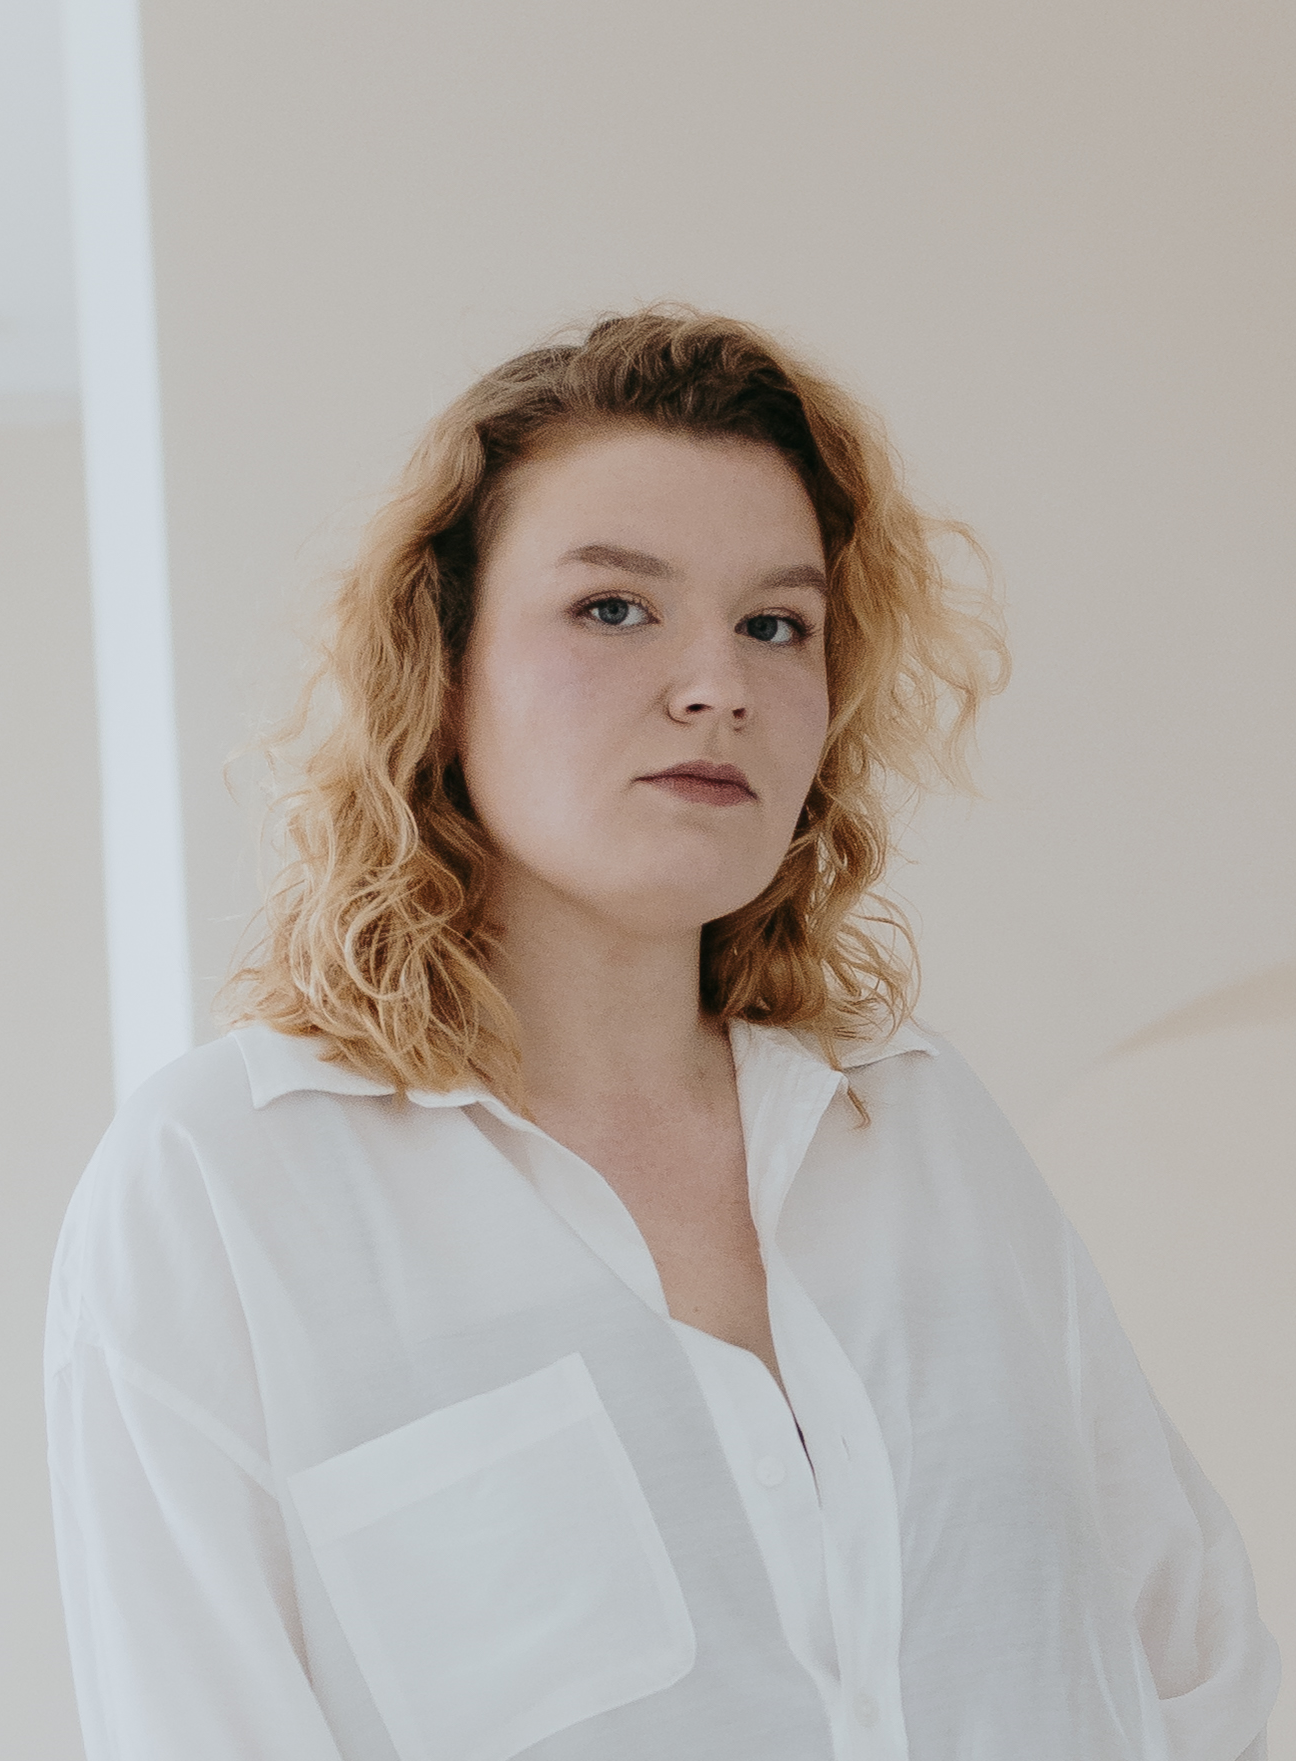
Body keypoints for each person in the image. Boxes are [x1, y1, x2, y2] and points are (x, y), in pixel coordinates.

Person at [46, 308, 1279, 1760]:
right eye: (614, 609)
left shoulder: (921, 1127)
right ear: (442, 669)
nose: (718, 686)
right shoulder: (225, 1188)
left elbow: (1196, 1671)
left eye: (776, 625)